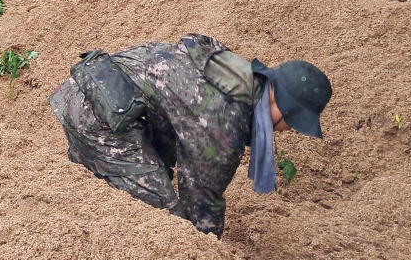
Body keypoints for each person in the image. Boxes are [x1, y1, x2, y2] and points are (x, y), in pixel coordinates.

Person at [49, 34, 332, 238]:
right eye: (293, 123)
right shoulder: (225, 121)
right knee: (165, 222)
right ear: (279, 105)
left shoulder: (232, 69)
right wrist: (210, 249)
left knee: (138, 184)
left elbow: (180, 112)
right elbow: (201, 199)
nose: (288, 130)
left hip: (94, 89)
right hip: (96, 115)